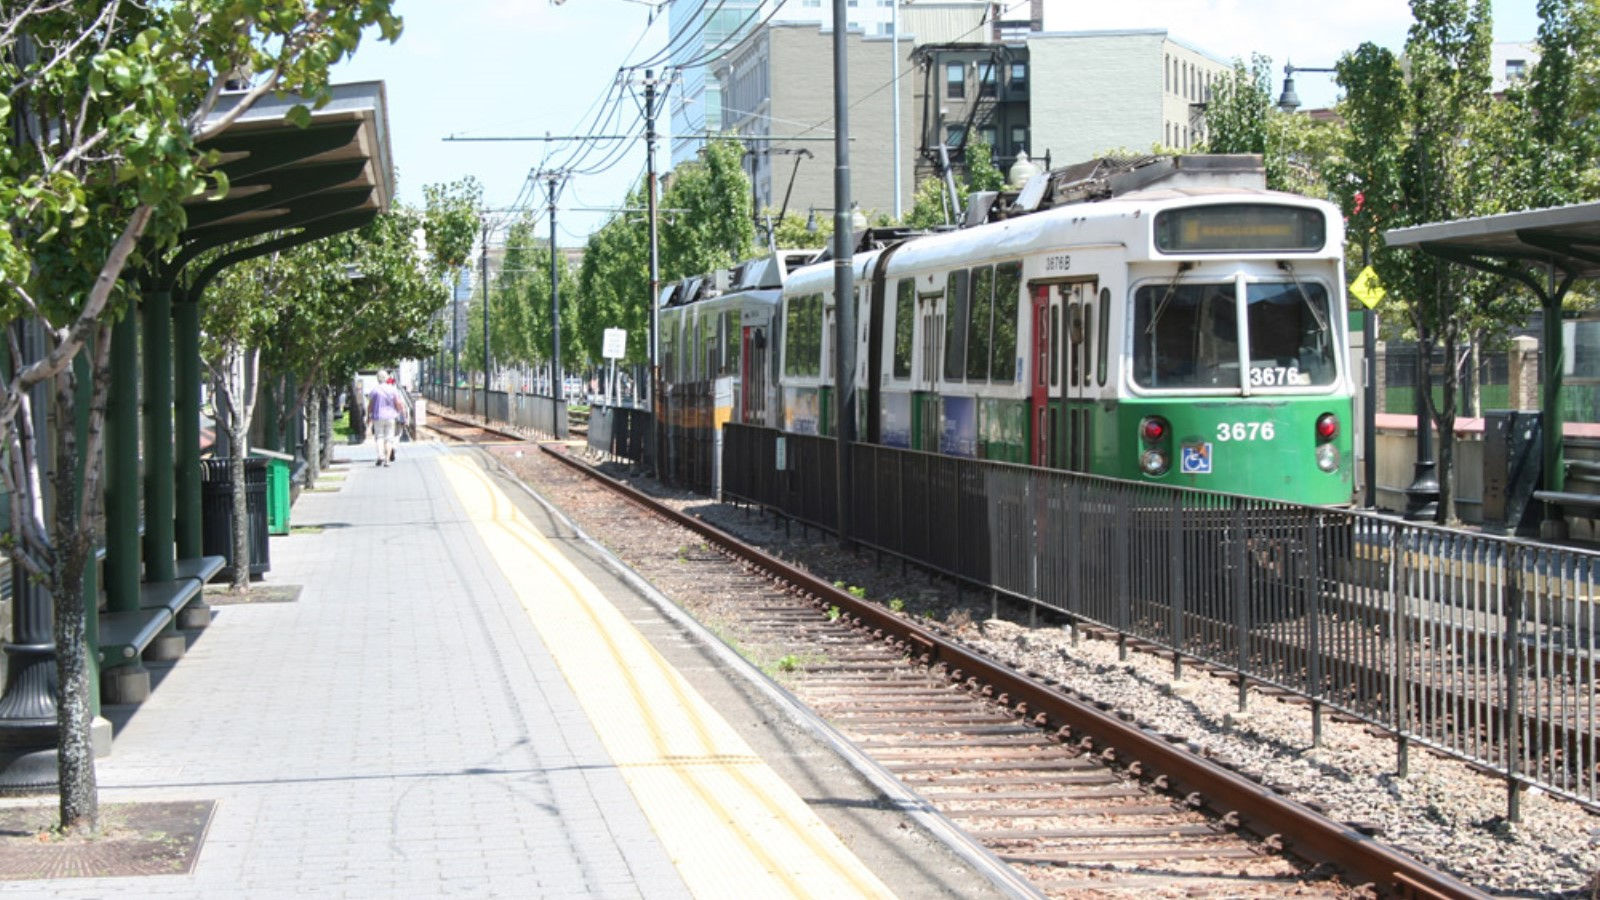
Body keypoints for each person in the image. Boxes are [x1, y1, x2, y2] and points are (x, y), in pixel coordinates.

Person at [368, 369, 407, 467]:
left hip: (378, 417)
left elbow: (370, 405)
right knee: (389, 438)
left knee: (379, 437)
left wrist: (369, 416)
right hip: (391, 417)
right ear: (386, 378)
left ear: (378, 379)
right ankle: (387, 460)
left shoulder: (375, 390)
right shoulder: (392, 389)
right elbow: (398, 403)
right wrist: (401, 413)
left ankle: (380, 456)